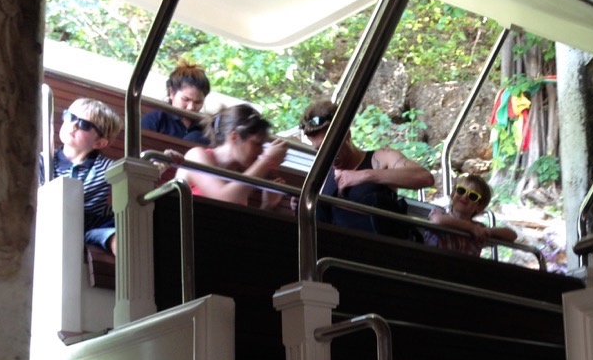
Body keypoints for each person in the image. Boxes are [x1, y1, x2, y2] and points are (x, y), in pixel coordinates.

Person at [300, 98, 434, 236]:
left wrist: (365, 175)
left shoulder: (380, 158)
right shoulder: (322, 174)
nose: (327, 155)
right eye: (319, 150)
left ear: (346, 134)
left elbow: (425, 178)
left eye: (330, 146)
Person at [42, 97, 123, 255]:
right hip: (49, 224)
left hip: (89, 227)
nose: (73, 125)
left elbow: (130, 179)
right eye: (70, 117)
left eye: (84, 125)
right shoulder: (44, 160)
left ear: (99, 143)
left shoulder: (107, 168)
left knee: (119, 238)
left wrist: (158, 166)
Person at [177, 104, 290, 210]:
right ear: (234, 137)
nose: (261, 151)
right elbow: (222, 198)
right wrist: (267, 159)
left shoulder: (238, 176)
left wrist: (266, 206)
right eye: (256, 144)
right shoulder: (196, 155)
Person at [422, 173, 518, 256]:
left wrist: (488, 231)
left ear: (479, 207)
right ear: (453, 194)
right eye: (461, 190)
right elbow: (438, 221)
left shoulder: (479, 229)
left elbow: (512, 235)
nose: (465, 196)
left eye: (473, 196)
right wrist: (471, 228)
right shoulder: (439, 213)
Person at [141, 61, 210, 144]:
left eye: (198, 102)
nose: (191, 107)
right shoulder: (155, 119)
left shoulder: (206, 129)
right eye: (185, 99)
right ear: (172, 93)